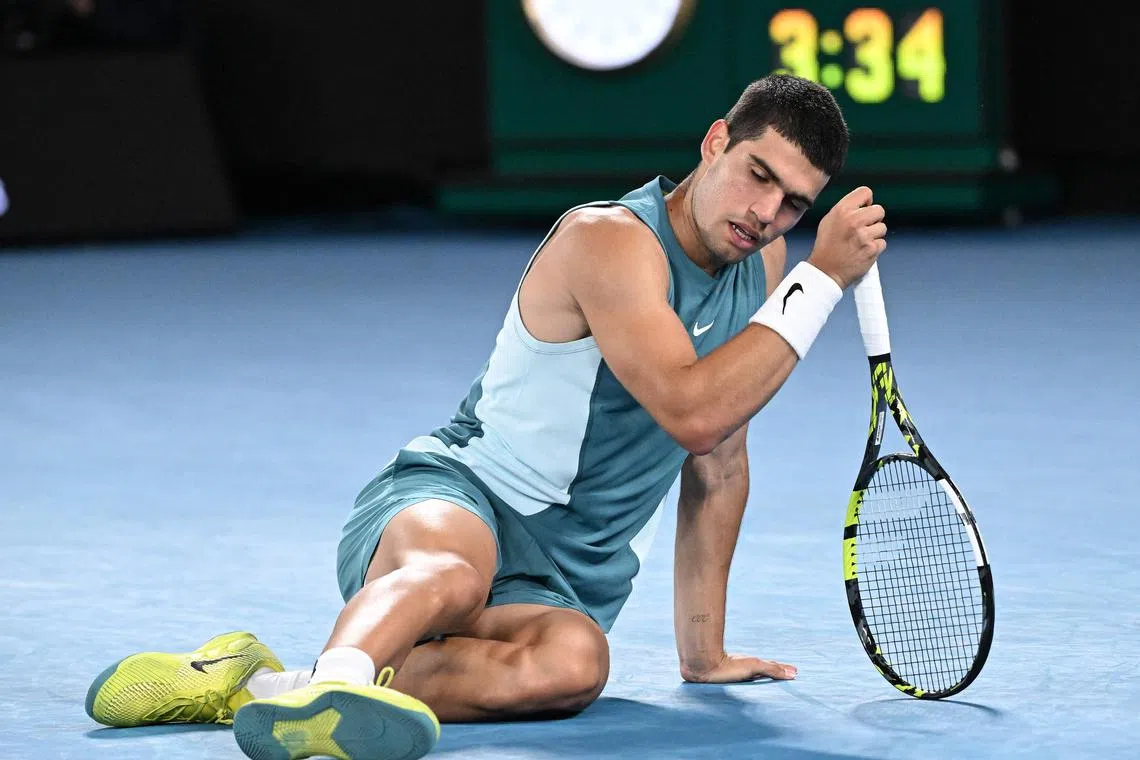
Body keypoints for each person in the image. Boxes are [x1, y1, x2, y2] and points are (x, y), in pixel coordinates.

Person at [84, 73, 886, 760]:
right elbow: (692, 414)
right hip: (457, 498)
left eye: (792, 203)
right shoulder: (608, 240)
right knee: (455, 575)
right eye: (757, 175)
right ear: (715, 142)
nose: (766, 213)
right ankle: (330, 696)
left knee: (578, 665)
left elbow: (720, 461)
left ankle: (263, 683)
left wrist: (703, 652)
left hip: (559, 582)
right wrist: (822, 284)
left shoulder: (764, 268)